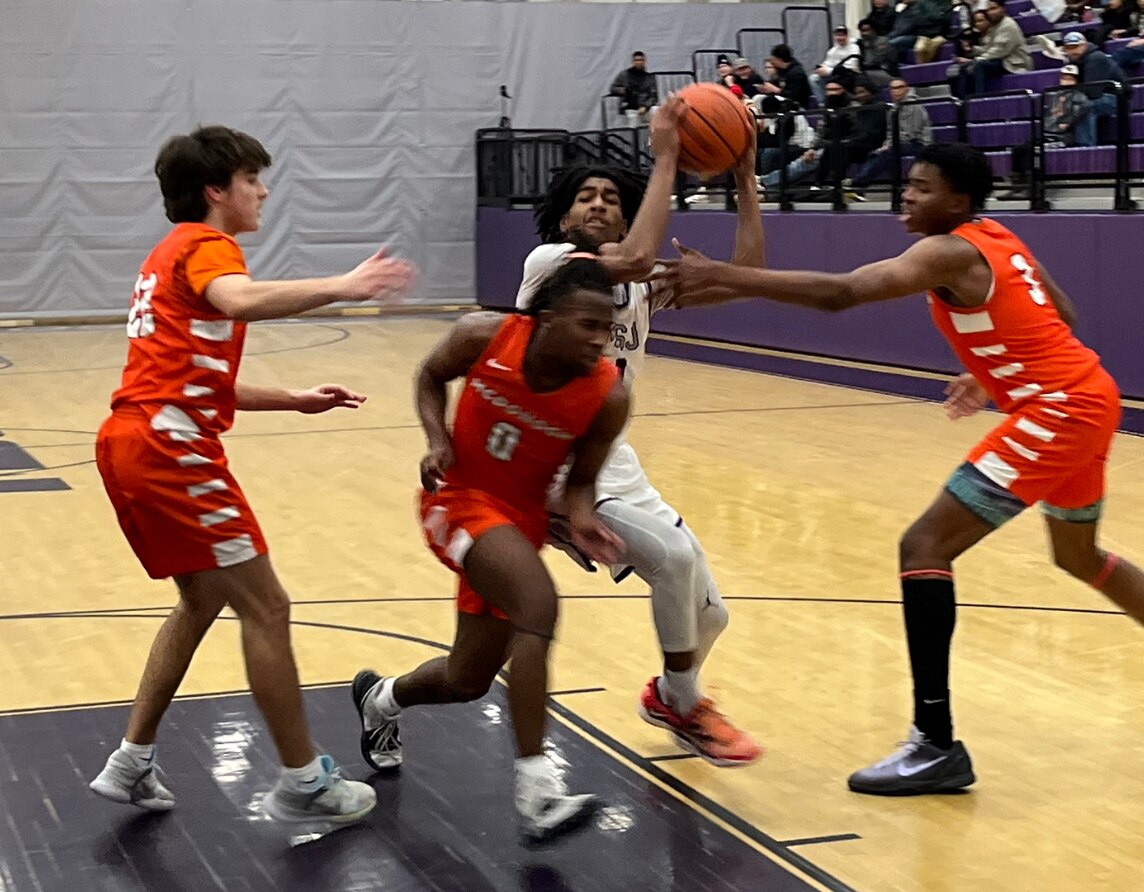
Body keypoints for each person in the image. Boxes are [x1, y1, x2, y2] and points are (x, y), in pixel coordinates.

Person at [661, 142, 1144, 795]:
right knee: (1078, 557)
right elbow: (1064, 315)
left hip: (1059, 410)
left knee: (924, 546)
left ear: (959, 202)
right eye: (907, 185)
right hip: (1088, 399)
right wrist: (986, 371)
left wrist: (727, 274)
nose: (907, 197)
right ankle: (935, 744)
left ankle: (935, 743)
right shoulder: (996, 236)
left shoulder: (947, 251)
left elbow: (844, 293)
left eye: (922, 188)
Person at [89, 125, 415, 825]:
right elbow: (239, 300)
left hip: (132, 440)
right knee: (267, 606)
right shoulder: (209, 245)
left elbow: (192, 379)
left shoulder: (164, 256)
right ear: (216, 190)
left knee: (203, 600)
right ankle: (303, 781)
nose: (262, 191)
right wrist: (346, 285)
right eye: (251, 180)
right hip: (171, 450)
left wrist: (293, 397)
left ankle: (130, 762)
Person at [515, 98, 764, 767]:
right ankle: (686, 706)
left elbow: (747, 272)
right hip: (554, 459)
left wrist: (744, 174)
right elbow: (632, 256)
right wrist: (666, 157)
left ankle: (667, 694)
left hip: (612, 460)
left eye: (610, 199)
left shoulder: (642, 280)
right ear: (564, 215)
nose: (598, 205)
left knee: (710, 617)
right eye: (585, 198)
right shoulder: (552, 264)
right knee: (676, 564)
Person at [351, 258, 631, 842]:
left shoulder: (607, 395)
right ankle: (537, 789)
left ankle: (382, 700)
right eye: (588, 324)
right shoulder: (485, 335)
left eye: (608, 328)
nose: (600, 339)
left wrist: (582, 520)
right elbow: (429, 375)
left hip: (520, 525)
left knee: (467, 678)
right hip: (456, 499)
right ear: (547, 319)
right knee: (539, 607)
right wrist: (437, 440)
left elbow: (580, 482)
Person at [610, 51, 659, 127]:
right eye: (636, 60)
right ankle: (633, 137)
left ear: (644, 61)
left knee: (657, 110)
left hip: (645, 109)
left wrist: (646, 107)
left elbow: (654, 97)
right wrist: (625, 91)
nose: (639, 62)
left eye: (641, 60)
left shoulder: (649, 78)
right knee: (633, 117)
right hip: (631, 108)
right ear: (633, 62)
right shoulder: (625, 75)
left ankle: (655, 138)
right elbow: (613, 88)